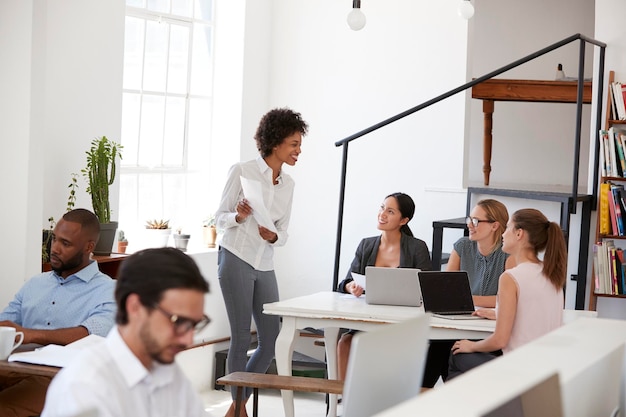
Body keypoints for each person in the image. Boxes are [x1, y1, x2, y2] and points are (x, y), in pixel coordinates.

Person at [41, 247, 211, 417]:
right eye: (178, 322)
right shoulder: (84, 387)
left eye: (195, 324)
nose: (188, 340)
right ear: (135, 307)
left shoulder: (170, 375)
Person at [215, 107, 308, 417]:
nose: (298, 150)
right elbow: (219, 218)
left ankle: (236, 403)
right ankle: (239, 407)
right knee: (241, 336)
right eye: (294, 143)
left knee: (272, 338)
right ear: (275, 142)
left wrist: (272, 237)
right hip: (236, 256)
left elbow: (283, 233)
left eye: (298, 144)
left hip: (264, 262)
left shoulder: (289, 185)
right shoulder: (242, 171)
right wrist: (239, 216)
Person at [0, 208, 116, 417]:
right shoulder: (35, 283)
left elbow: (93, 334)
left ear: (89, 247)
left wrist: (29, 334)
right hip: (14, 367)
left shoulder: (108, 290)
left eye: (66, 243)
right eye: (54, 239)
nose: (55, 248)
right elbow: (6, 323)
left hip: (64, 378)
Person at [448, 208, 567, 379]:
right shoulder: (551, 273)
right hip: (545, 366)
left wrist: (471, 346)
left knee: (457, 354)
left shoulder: (511, 278)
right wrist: (498, 313)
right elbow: (533, 312)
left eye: (508, 228)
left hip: (518, 367)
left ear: (519, 234)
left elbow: (500, 340)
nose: (503, 234)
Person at [336, 192, 432, 381]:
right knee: (345, 341)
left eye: (390, 211)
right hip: (369, 319)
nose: (382, 214)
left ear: (404, 220)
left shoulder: (417, 247)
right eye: (382, 208)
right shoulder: (367, 245)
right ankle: (343, 400)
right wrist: (352, 287)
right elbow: (345, 282)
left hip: (402, 323)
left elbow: (427, 287)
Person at [421, 199, 515, 389]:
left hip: (486, 327)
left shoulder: (508, 255)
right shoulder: (462, 246)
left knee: (446, 349)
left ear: (494, 226)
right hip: (460, 319)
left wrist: (468, 300)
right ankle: (416, 399)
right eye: (469, 219)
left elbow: (505, 301)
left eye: (475, 221)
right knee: (436, 345)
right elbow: (446, 290)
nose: (469, 225)